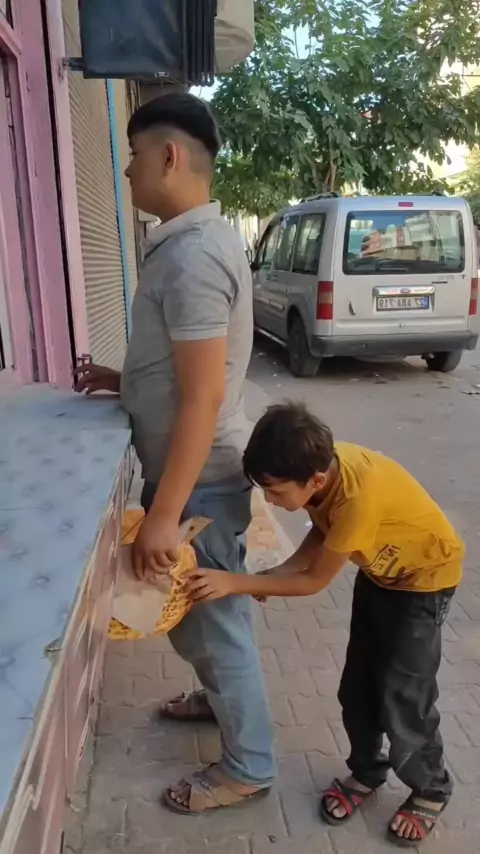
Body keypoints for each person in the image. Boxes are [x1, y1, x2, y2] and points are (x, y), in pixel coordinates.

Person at [73, 93, 275, 814]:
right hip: (194, 478)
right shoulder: (188, 245)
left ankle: (249, 766)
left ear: (168, 156)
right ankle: (219, 703)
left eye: (133, 156)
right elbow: (183, 369)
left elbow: (203, 395)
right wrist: (123, 379)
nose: (126, 172)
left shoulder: (193, 257)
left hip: (200, 483)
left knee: (214, 627)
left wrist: (164, 513)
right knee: (197, 620)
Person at [187, 402, 464, 847]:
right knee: (356, 687)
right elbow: (322, 532)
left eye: (274, 491)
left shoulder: (359, 498)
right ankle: (367, 772)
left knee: (404, 695)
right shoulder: (324, 472)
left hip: (425, 581)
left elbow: (315, 582)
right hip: (381, 575)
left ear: (315, 480)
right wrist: (275, 573)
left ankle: (431, 789)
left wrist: (235, 583)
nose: (269, 501)